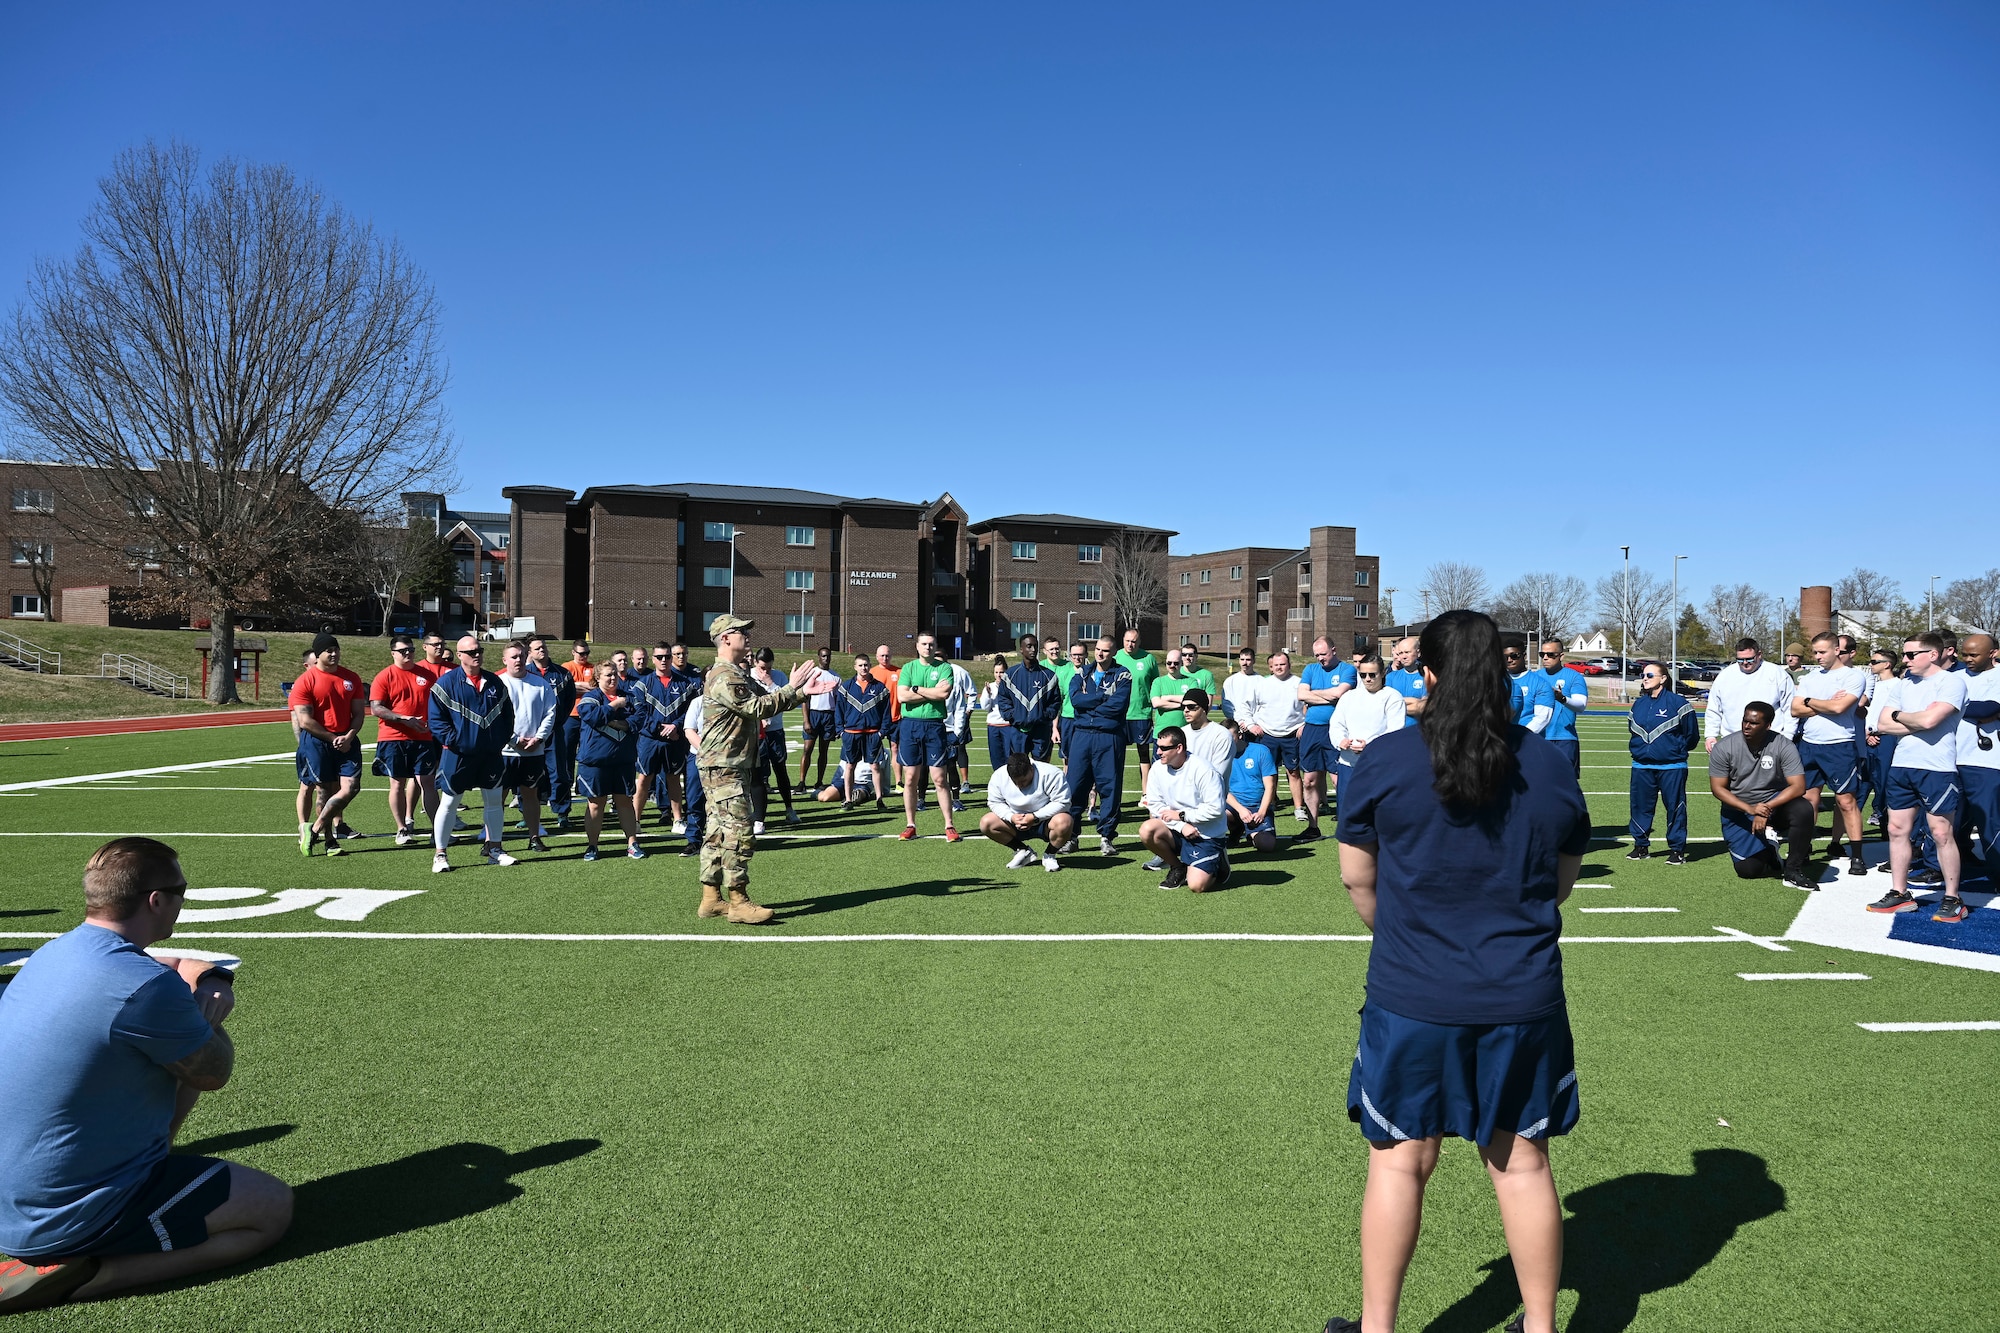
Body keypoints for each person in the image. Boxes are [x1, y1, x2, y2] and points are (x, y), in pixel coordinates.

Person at [1321, 610, 1587, 1333]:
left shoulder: (1384, 759)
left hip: (1413, 993)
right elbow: (1560, 884)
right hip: (1521, 992)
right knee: (1522, 1163)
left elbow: (1357, 880)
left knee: (1400, 1162)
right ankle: (1540, 1327)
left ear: (1426, 673)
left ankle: (1378, 1330)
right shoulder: (1549, 763)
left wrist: (1409, 937)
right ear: (1505, 670)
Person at [0, 839, 292, 1311]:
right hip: (64, 1217)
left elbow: (177, 964)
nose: (182, 900)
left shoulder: (57, 952)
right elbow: (213, 1071)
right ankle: (88, 1275)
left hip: (12, 1198)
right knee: (270, 1210)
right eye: (181, 890)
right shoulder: (144, 987)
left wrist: (213, 976)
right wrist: (206, 1014)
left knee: (163, 1060)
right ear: (157, 900)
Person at [697, 614, 834, 923]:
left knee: (717, 831)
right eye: (742, 631)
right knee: (739, 832)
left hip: (724, 764)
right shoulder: (725, 675)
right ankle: (738, 902)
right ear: (727, 638)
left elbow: (762, 700)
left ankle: (711, 898)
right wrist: (794, 688)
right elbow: (756, 708)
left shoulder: (733, 672)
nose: (748, 636)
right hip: (725, 766)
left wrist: (799, 692)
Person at [1868, 632, 1970, 921]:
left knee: (1941, 833)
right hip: (1902, 765)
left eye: (1911, 655)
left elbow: (1930, 720)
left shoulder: (1952, 682)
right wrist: (1909, 718)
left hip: (1936, 768)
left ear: (1933, 654)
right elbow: (1882, 724)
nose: (1905, 660)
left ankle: (1953, 898)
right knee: (1896, 830)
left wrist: (1901, 716)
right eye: (1905, 655)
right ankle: (1900, 893)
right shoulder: (1903, 684)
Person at [427, 636, 518, 873]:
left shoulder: (495, 683)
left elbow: (508, 717)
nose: (476, 655)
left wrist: (497, 741)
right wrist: (457, 742)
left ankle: (495, 849)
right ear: (459, 655)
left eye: (479, 650)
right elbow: (437, 722)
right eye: (471, 651)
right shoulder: (445, 684)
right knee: (449, 803)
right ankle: (440, 854)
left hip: (490, 755)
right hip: (458, 755)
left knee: (494, 802)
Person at [1788, 631, 1871, 878]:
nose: (1817, 657)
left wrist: (1812, 702)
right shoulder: (1811, 677)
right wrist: (1822, 703)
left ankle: (1857, 855)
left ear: (1837, 650)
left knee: (1846, 801)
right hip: (1809, 745)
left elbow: (1839, 707)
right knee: (1807, 801)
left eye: (1822, 652)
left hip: (1839, 746)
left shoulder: (1853, 676)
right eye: (1815, 652)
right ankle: (1804, 849)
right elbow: (1795, 709)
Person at [1707, 701, 1816, 888]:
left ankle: (1793, 870)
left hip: (1775, 805)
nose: (1747, 726)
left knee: (1803, 808)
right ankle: (1770, 849)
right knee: (1748, 870)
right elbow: (1718, 789)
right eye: (1745, 721)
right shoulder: (1725, 747)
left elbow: (1798, 786)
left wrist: (1764, 810)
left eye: (1754, 723)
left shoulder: (1783, 745)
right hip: (1740, 809)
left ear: (1768, 725)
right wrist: (1750, 808)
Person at [1864, 647, 1939, 884]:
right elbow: (1877, 714)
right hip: (1874, 738)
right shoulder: (1882, 685)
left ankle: (1915, 849)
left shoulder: (1900, 684)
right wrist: (1871, 731)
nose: (1871, 665)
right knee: (1878, 788)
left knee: (1896, 794)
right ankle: (1897, 842)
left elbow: (1902, 716)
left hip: (1894, 742)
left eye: (1874, 661)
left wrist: (1883, 728)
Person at [289, 634, 365, 857]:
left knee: (351, 788)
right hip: (318, 742)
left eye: (336, 649)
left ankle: (313, 829)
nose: (334, 654)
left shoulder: (351, 678)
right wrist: (332, 739)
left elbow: (359, 713)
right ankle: (330, 841)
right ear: (318, 654)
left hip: (347, 739)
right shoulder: (306, 680)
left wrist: (349, 736)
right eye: (328, 650)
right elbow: (304, 720)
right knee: (323, 791)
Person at [1137, 723, 1231, 890]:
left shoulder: (1203, 770)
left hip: (1206, 833)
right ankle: (1177, 867)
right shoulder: (1157, 769)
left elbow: (1216, 809)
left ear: (1179, 748)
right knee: (1147, 829)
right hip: (1179, 828)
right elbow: (1155, 805)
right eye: (1158, 747)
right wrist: (1181, 825)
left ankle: (1217, 860)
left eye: (1164, 748)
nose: (1158, 752)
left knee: (1197, 886)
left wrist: (1182, 815)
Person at [1061, 636, 1132, 856]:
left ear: (1114, 653)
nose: (1100, 654)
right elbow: (1075, 701)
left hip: (1108, 736)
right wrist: (1101, 697)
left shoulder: (1123, 675)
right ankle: (1072, 836)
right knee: (1075, 787)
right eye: (1098, 650)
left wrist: (1090, 702)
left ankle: (1107, 837)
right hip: (1081, 736)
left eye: (1106, 651)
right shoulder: (1082, 672)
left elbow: (1117, 707)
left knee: (1110, 788)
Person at [1626, 661, 1698, 865]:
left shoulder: (1679, 703)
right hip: (1641, 766)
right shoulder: (1638, 704)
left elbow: (1691, 735)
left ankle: (1677, 850)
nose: (1645, 679)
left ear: (1663, 679)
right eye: (1643, 675)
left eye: (1650, 675)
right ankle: (1641, 846)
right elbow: (1632, 730)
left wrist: (1675, 750)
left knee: (1675, 807)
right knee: (1640, 807)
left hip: (1672, 767)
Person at [368, 634, 438, 846]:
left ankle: (439, 829)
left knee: (428, 782)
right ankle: (401, 829)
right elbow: (376, 708)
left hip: (423, 737)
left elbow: (438, 702)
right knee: (397, 783)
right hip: (393, 738)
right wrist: (403, 719)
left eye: (410, 649)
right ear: (393, 653)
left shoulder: (426, 675)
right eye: (402, 651)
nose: (407, 653)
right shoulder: (384, 676)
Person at [575, 661, 645, 861]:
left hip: (623, 760)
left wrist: (616, 721)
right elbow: (591, 715)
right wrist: (614, 706)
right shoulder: (591, 697)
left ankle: (632, 843)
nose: (613, 677)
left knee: (624, 801)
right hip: (596, 761)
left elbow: (639, 719)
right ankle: (592, 846)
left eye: (614, 674)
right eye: (608, 675)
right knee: (596, 804)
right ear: (598, 678)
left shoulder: (630, 697)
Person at [894, 634, 960, 840]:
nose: (928, 647)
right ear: (917, 646)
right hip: (910, 726)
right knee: (911, 778)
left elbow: (943, 694)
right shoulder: (908, 668)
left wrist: (916, 689)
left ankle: (949, 826)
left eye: (931, 644)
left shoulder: (944, 668)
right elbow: (902, 696)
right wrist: (930, 692)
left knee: (940, 778)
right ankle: (910, 824)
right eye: (924, 644)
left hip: (934, 726)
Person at [1297, 637, 1359, 841]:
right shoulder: (1310, 669)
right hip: (1312, 730)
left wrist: (1313, 694)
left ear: (1334, 650)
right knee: (1309, 780)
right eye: (1316, 655)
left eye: (1323, 654)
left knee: (1337, 778)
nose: (1320, 658)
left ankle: (1347, 824)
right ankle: (1313, 827)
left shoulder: (1347, 670)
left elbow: (1339, 694)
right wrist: (1327, 696)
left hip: (1336, 730)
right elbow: (1301, 695)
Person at [498, 642, 557, 853]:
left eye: (522, 656)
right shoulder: (498, 684)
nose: (518, 660)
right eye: (513, 656)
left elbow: (550, 713)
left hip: (534, 752)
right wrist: (513, 740)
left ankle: (534, 837)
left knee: (530, 795)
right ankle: (492, 840)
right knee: (498, 796)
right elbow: (496, 718)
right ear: (504, 660)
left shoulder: (540, 684)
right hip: (505, 752)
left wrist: (539, 738)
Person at [978, 750, 1075, 873]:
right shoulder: (999, 775)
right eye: (1015, 782)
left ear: (1031, 769)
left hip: (1045, 821)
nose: (1019, 785)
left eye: (1023, 781)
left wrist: (1035, 817)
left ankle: (1050, 855)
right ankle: (1023, 851)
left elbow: (1063, 802)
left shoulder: (1051, 773)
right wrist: (1011, 816)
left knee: (1065, 821)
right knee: (986, 822)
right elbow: (994, 802)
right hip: (1015, 821)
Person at [1957, 633, 2000, 887]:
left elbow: (1988, 709)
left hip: (1985, 760)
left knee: (1988, 820)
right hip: (1950, 758)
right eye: (1965, 654)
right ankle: (1939, 868)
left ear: (1992, 653)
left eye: (1974, 655)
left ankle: (1997, 872)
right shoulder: (1955, 677)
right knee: (1947, 820)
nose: (1968, 659)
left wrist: (1954, 706)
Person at [1703, 638, 1795, 753]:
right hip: (1732, 741)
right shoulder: (1725, 676)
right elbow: (1714, 708)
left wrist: (1787, 737)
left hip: (1769, 743)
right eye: (1740, 660)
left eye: (1749, 659)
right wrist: (1710, 735)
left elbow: (1790, 708)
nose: (1745, 663)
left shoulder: (1777, 674)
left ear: (1759, 654)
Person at [1327, 656, 1407, 789]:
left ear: (1382, 673)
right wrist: (1341, 740)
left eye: (1372, 674)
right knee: (1347, 808)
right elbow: (1336, 724)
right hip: (1348, 765)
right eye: (1363, 675)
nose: (1368, 679)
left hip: (1378, 765)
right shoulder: (1349, 697)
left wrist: (1369, 746)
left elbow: (1394, 732)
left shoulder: (1392, 697)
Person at [1249, 650, 1309, 825]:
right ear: (1270, 667)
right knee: (1269, 773)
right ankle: (1270, 806)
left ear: (1289, 665)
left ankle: (1299, 808)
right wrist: (1253, 724)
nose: (1279, 667)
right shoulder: (1262, 684)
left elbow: (1310, 706)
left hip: (1292, 734)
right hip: (1268, 734)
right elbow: (1248, 707)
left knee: (1293, 772)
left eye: (1282, 664)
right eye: (1276, 665)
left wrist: (1303, 724)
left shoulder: (1299, 683)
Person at [525, 635, 578, 832]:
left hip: (555, 732)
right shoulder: (524, 673)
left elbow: (569, 700)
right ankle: (528, 813)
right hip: (530, 733)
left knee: (559, 772)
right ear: (529, 652)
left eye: (543, 647)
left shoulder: (562, 674)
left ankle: (562, 812)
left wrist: (559, 721)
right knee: (530, 774)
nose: (542, 651)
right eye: (537, 648)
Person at [629, 644, 682, 831]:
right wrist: (659, 728)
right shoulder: (642, 684)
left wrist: (677, 726)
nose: (664, 660)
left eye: (667, 656)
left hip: (674, 738)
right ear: (653, 659)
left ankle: (678, 820)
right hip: (649, 740)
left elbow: (691, 710)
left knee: (674, 778)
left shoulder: (683, 683)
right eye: (659, 657)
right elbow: (639, 712)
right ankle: (634, 821)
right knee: (644, 778)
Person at [749, 648, 800, 833]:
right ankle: (758, 818)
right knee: (759, 775)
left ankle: (789, 809)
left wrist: (771, 684)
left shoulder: (778, 677)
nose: (766, 672)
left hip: (776, 731)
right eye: (763, 668)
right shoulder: (748, 676)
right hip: (757, 733)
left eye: (769, 668)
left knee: (781, 770)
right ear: (755, 662)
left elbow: (789, 700)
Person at [833, 654, 892, 810]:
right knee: (850, 766)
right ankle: (848, 799)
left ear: (870, 665)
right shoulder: (846, 687)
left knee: (875, 766)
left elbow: (886, 712)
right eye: (860, 665)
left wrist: (882, 732)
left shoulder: (880, 688)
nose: (863, 668)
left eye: (866, 665)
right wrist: (841, 731)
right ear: (855, 667)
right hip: (851, 733)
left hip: (873, 733)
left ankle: (879, 800)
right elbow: (838, 710)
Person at [549, 638, 596, 831]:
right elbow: (571, 688)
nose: (584, 656)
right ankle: (563, 807)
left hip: (589, 719)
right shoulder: (565, 668)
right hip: (570, 717)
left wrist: (579, 686)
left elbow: (595, 687)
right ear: (573, 652)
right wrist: (581, 686)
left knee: (588, 757)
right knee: (565, 760)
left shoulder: (593, 668)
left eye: (586, 653)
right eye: (580, 653)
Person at [997, 633, 1061, 759]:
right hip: (1018, 731)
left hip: (1041, 731)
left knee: (1041, 769)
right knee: (1019, 769)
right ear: (1021, 649)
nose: (1033, 650)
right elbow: (1003, 699)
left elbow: (1055, 701)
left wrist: (1044, 715)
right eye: (1029, 646)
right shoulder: (1010, 675)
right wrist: (1013, 715)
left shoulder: (1049, 675)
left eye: (1035, 646)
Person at [1223, 718, 1281, 853]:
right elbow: (1221, 788)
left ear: (1240, 735)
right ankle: (1236, 827)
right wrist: (1240, 809)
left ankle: (1251, 832)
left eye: (1230, 737)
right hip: (1232, 805)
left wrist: (1261, 812)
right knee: (1216, 815)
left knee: (1267, 845)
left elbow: (1270, 786)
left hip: (1257, 805)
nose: (1226, 742)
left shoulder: (1261, 751)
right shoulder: (1218, 756)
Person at [1116, 628, 1162, 793]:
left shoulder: (1148, 659)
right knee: (1116, 756)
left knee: (1144, 754)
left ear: (1139, 642)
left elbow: (1156, 685)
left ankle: (1145, 792)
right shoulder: (1116, 658)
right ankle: (1115, 792)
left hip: (1142, 715)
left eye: (1134, 641)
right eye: (1127, 640)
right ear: (1123, 640)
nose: (1130, 644)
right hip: (1120, 716)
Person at [1536, 641, 1591, 775]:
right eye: (1542, 654)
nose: (1545, 657)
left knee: (1565, 787)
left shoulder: (1574, 676)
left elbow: (1581, 705)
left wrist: (1562, 698)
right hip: (1539, 738)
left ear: (1561, 656)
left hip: (1565, 739)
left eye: (1550, 654)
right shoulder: (1535, 677)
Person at [796, 646, 841, 791]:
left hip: (828, 716)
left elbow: (838, 701)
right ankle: (802, 782)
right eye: (823, 656)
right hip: (813, 714)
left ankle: (819, 781)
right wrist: (806, 720)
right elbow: (804, 699)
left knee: (824, 750)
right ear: (818, 657)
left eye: (828, 656)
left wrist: (837, 722)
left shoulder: (836, 677)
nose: (826, 659)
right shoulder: (812, 674)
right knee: (807, 749)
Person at [1181, 688, 1233, 789]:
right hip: (1183, 795)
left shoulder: (1221, 735)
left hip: (1210, 798)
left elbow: (1217, 774)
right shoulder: (1182, 733)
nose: (1186, 710)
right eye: (1183, 707)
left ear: (1204, 708)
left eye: (1191, 707)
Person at [943, 653, 977, 805]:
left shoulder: (958, 672)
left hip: (956, 723)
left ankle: (964, 783)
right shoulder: (925, 672)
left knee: (958, 752)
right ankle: (923, 798)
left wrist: (968, 710)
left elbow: (971, 691)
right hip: (934, 726)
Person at [1503, 642, 1556, 737]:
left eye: (1514, 656)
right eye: (1505, 657)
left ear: (1524, 656)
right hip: (1500, 742)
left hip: (1527, 741)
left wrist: (1520, 737)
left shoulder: (1540, 683)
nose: (1509, 660)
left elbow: (1542, 718)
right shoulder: (1497, 681)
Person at [870, 645, 903, 789]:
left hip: (896, 718)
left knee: (895, 748)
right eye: (882, 655)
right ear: (877, 657)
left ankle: (898, 782)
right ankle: (876, 784)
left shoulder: (899, 672)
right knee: (874, 750)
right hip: (877, 719)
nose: (885, 658)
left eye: (887, 655)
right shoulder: (871, 673)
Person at [1052, 640, 1087, 761]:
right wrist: (1055, 728)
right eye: (1074, 655)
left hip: (1085, 720)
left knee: (1085, 757)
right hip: (1067, 720)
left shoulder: (1092, 673)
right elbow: (1058, 702)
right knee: (1067, 758)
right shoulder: (1063, 674)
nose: (1077, 657)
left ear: (1086, 655)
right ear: (1070, 656)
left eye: (1080, 654)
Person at [978, 655, 1011, 776]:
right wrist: (987, 694)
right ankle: (999, 780)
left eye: (1001, 672)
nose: (998, 675)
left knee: (1009, 756)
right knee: (996, 756)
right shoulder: (990, 687)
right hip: (993, 726)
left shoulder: (1011, 686)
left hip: (1007, 725)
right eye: (996, 672)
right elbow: (985, 707)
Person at [1383, 636, 1427, 726]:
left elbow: (1424, 707)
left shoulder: (1426, 677)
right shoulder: (1390, 677)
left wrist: (1396, 703)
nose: (1403, 657)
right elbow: (1385, 704)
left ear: (1418, 653)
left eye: (1407, 652)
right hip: (1394, 731)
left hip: (1418, 732)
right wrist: (1415, 701)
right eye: (1400, 653)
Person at [1221, 646, 1260, 726]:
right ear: (1239, 660)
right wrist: (1240, 722)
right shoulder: (1230, 681)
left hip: (1256, 726)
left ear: (1254, 661)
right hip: (1236, 725)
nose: (1245, 663)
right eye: (1242, 659)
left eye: (1248, 660)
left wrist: (1251, 723)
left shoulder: (1261, 681)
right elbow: (1227, 705)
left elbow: (1263, 706)